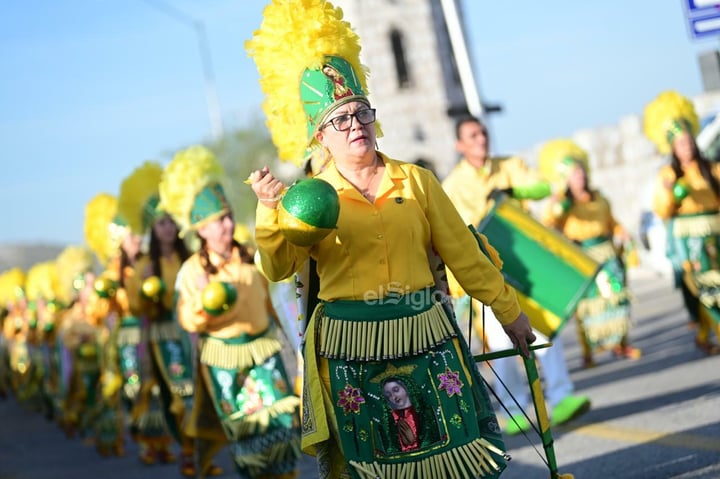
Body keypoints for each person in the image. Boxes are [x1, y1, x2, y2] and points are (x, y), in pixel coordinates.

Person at [246, 1, 536, 477]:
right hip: (351, 347)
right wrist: (269, 209)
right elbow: (277, 269)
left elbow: (465, 256)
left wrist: (511, 314)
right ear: (320, 136)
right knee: (376, 464)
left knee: (455, 455)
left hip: (427, 332)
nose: (355, 125)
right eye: (340, 119)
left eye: (361, 113)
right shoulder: (309, 199)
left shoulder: (417, 181)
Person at [442, 115, 590, 436]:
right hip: (487, 275)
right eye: (472, 135)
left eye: (482, 133)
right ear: (460, 145)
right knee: (499, 345)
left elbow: (541, 187)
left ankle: (562, 396)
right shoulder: (451, 186)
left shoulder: (510, 165)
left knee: (546, 330)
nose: (481, 139)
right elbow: (448, 235)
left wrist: (510, 188)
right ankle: (515, 410)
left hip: (523, 265)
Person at [159, 145, 301, 479]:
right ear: (200, 231)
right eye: (216, 221)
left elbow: (274, 302)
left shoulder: (251, 255)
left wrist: (295, 348)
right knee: (246, 431)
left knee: (282, 423)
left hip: (265, 351)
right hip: (223, 360)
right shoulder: (192, 271)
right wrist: (207, 302)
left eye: (227, 217)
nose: (225, 225)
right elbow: (186, 320)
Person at [538, 139, 641, 368]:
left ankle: (622, 342)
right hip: (581, 256)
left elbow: (611, 222)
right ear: (566, 179)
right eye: (574, 175)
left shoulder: (599, 198)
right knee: (585, 306)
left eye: (581, 173)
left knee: (616, 297)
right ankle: (588, 352)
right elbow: (548, 224)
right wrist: (557, 206)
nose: (580, 178)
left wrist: (622, 233)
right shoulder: (563, 203)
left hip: (606, 253)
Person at [644, 90, 720, 355]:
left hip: (715, 234)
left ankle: (703, 335)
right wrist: (671, 190)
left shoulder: (711, 168)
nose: (686, 148)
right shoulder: (668, 174)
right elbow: (662, 210)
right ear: (674, 148)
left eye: (689, 142)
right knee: (703, 289)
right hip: (689, 240)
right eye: (681, 144)